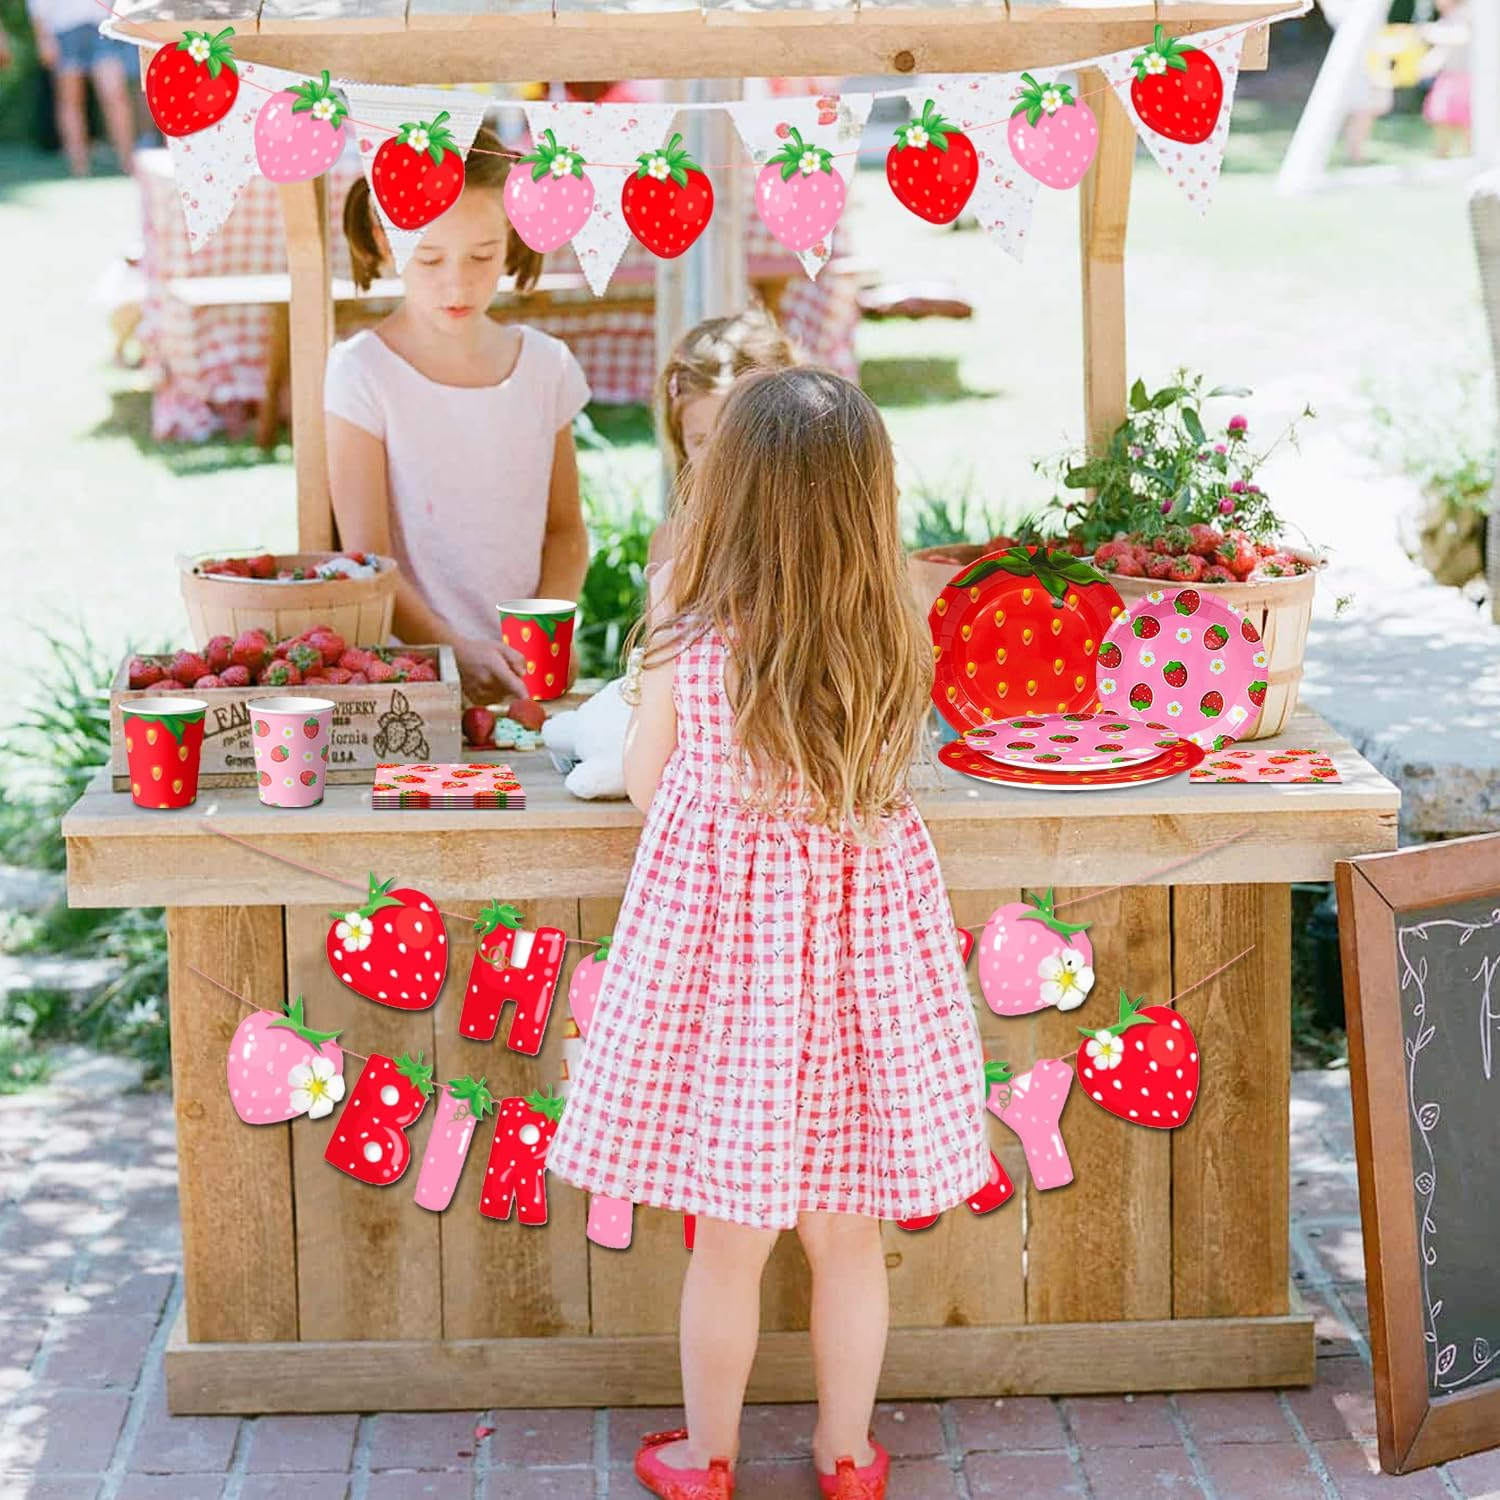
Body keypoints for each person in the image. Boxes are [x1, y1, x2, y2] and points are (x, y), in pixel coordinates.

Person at [545, 368, 991, 1500]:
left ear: (724, 493)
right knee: (848, 1238)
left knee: (729, 1240)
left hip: (732, 977)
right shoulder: (894, 637)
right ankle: (847, 1457)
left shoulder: (688, 640)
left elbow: (647, 782)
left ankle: (708, 1459)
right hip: (860, 975)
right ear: (866, 499)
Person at [326, 125, 591, 705]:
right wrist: (452, 650)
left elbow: (566, 530)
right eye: (429, 257)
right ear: (383, 238)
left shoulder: (546, 368)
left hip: (525, 683)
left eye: (482, 255)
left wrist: (543, 632)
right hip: (408, 684)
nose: (458, 281)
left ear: (514, 239)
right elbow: (366, 559)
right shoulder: (361, 373)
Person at [647, 308, 799, 570]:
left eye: (735, 438)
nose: (718, 458)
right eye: (700, 441)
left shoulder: (806, 541)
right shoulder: (671, 546)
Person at [26, 0, 137, 176]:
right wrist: (43, 38)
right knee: (70, 100)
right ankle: (79, 165)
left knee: (115, 96)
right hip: (64, 30)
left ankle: (129, 162)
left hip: (100, 26)